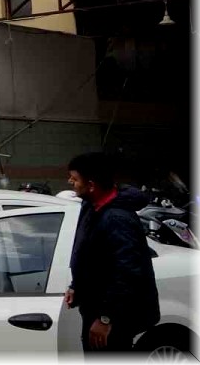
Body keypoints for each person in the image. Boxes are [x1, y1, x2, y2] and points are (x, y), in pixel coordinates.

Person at [63, 152, 159, 354]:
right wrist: (76, 286)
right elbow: (88, 256)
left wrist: (106, 318)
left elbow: (127, 274)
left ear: (91, 185)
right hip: (95, 308)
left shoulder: (117, 219)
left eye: (75, 178)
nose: (70, 182)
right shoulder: (92, 206)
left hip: (113, 318)